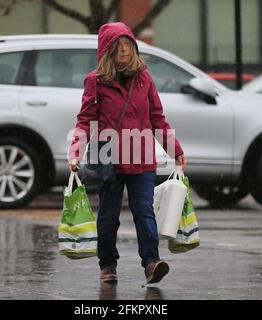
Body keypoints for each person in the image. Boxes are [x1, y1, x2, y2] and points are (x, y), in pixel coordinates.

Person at [68, 22, 186, 285]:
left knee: (144, 211)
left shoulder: (145, 78)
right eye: (118, 47)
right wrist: (75, 152)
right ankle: (108, 265)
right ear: (107, 51)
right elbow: (85, 120)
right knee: (109, 216)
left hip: (142, 159)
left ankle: (151, 263)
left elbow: (158, 119)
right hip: (109, 161)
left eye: (127, 46)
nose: (124, 51)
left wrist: (175, 149)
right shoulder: (95, 81)